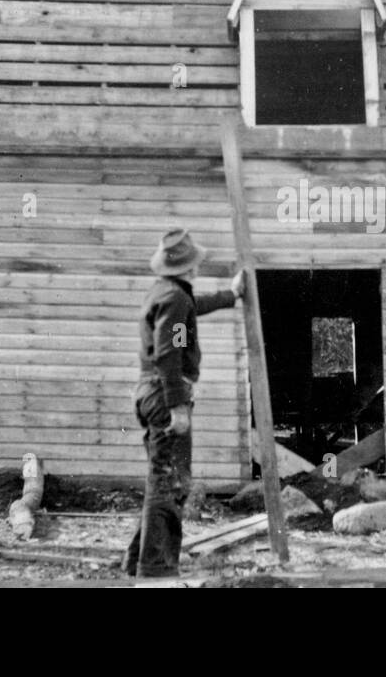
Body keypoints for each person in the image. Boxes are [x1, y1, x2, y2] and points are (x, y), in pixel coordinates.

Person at [122, 228, 244, 578]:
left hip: (150, 392)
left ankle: (138, 561)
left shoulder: (169, 294)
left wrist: (230, 295)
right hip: (164, 394)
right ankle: (156, 569)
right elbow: (169, 352)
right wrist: (177, 405)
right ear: (188, 267)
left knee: (162, 480)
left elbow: (191, 311)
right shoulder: (175, 299)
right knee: (170, 482)